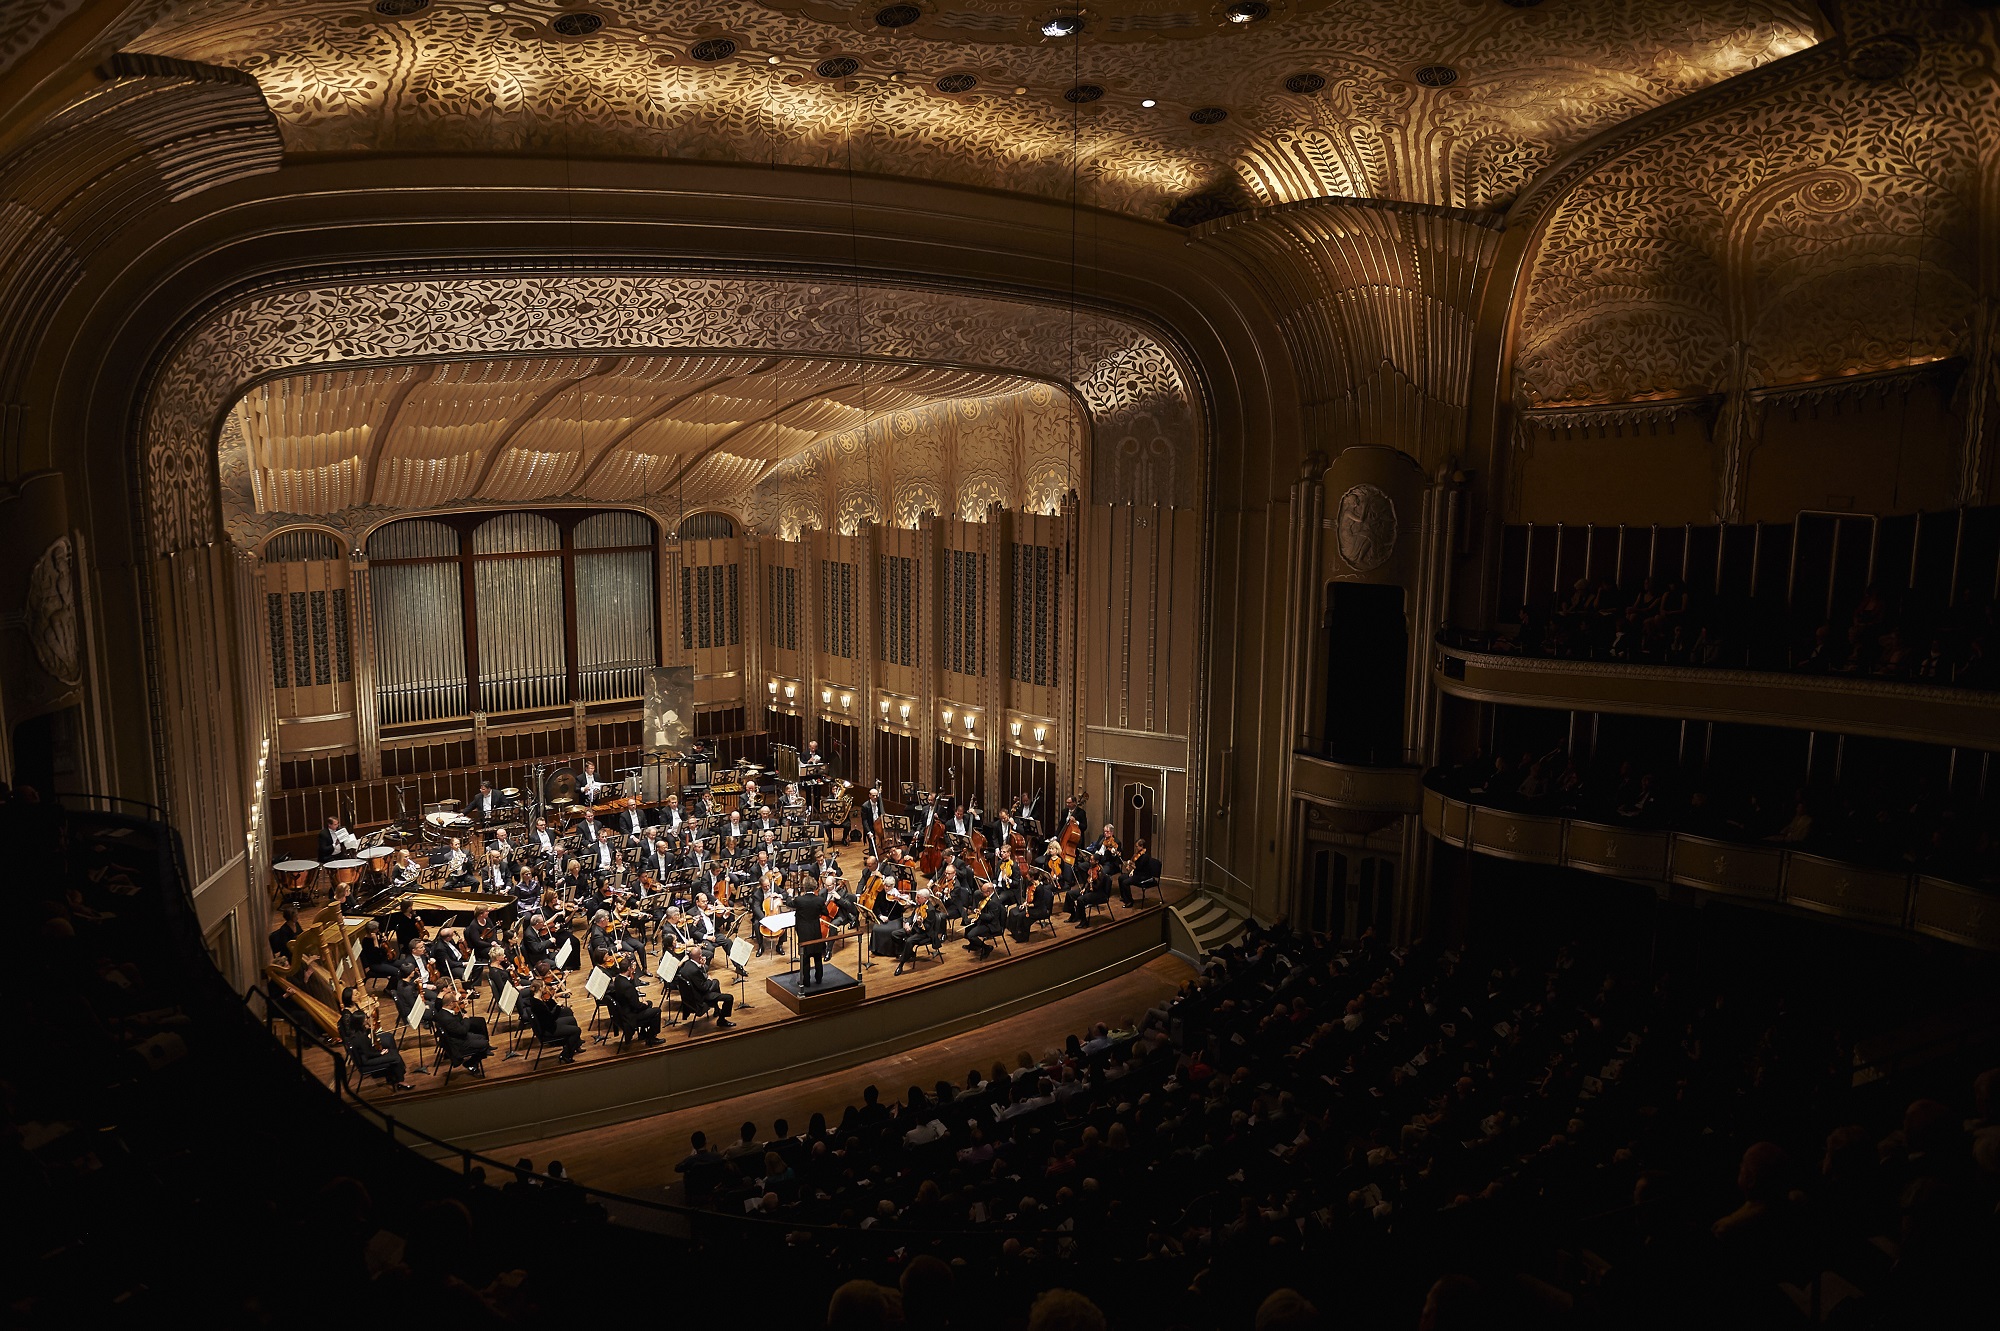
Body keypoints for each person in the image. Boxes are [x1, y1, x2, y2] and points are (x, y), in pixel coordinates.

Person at [337, 985, 414, 1090]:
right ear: (349, 998)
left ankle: (395, 1072)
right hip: (365, 1047)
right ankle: (396, 1073)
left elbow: (361, 1025)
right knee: (392, 1051)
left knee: (389, 1038)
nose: (358, 994)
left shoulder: (356, 1008)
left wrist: (369, 1030)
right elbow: (354, 1036)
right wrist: (377, 1050)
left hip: (365, 1038)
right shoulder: (349, 1019)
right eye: (355, 994)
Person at [431, 988, 492, 1075]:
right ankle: (469, 1063)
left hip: (456, 1037)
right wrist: (466, 1018)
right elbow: (463, 1030)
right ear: (451, 1003)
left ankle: (474, 1063)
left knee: (482, 1037)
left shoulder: (442, 1013)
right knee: (484, 1044)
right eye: (455, 1001)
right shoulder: (447, 1018)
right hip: (458, 1043)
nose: (456, 1003)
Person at [673, 950, 737, 1028]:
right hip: (700, 997)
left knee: (715, 982)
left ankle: (717, 1010)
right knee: (729, 998)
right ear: (700, 956)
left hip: (690, 996)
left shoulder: (687, 964)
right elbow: (704, 987)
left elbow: (699, 980)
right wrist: (709, 979)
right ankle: (721, 1020)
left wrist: (702, 966)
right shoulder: (695, 970)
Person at [524, 979, 583, 1063]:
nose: (545, 987)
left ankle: (575, 1045)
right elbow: (552, 1018)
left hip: (549, 1025)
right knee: (577, 1031)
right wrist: (558, 1006)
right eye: (544, 986)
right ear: (540, 988)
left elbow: (548, 1010)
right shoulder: (538, 1005)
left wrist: (553, 999)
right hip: (549, 1029)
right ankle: (565, 1055)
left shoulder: (536, 999)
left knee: (571, 1020)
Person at [606, 955, 661, 1042]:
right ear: (628, 968)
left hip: (624, 1009)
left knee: (649, 1003)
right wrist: (644, 1004)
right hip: (630, 1016)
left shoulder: (618, 979)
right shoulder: (627, 986)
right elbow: (637, 1006)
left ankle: (642, 1033)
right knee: (656, 1011)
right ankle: (651, 1037)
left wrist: (632, 974)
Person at [792, 882, 828, 988]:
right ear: (815, 887)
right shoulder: (819, 900)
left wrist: (790, 894)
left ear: (804, 887)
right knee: (817, 956)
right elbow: (825, 912)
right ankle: (819, 978)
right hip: (816, 930)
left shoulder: (799, 900)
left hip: (803, 932)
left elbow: (790, 903)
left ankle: (806, 981)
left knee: (805, 957)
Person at [963, 880, 1006, 959]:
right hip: (984, 920)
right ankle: (974, 945)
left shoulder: (994, 902)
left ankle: (986, 948)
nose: (981, 893)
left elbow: (991, 917)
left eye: (983, 891)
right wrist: (977, 912)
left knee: (971, 935)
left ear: (989, 892)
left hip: (991, 925)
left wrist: (979, 916)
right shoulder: (987, 897)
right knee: (967, 922)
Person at [1120, 838, 1160, 906]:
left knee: (1125, 882)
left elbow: (1138, 868)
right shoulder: (1138, 855)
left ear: (1141, 847)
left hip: (1143, 876)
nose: (1136, 848)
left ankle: (1129, 901)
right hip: (1137, 873)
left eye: (1137, 846)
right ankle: (1124, 897)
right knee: (1121, 878)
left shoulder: (1145, 857)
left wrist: (1131, 865)